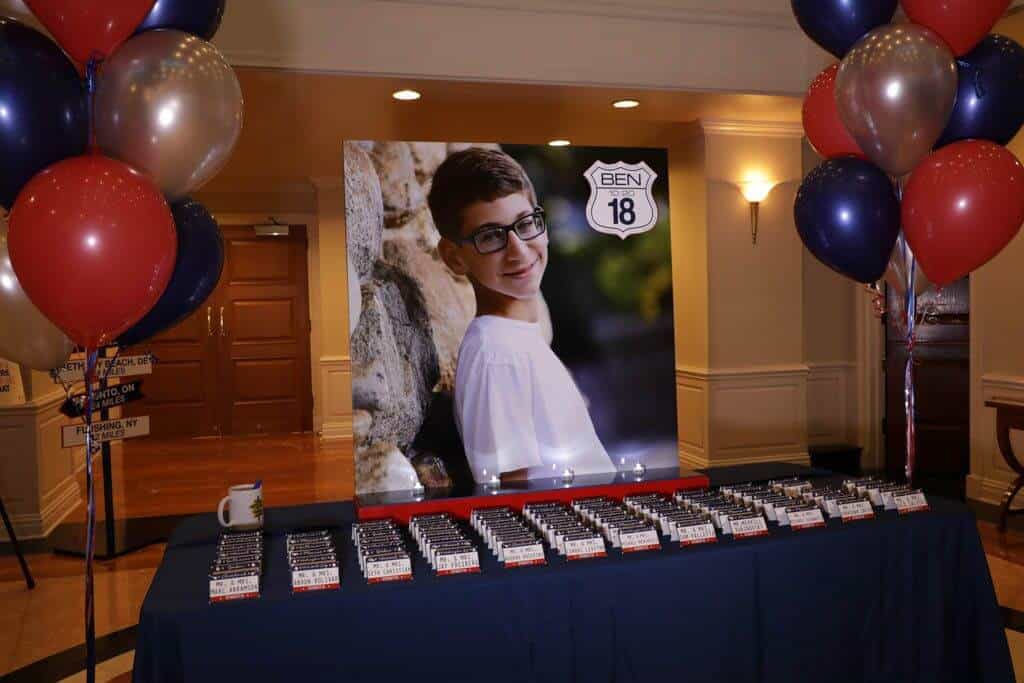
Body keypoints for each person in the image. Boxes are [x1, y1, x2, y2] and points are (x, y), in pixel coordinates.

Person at [430, 148, 614, 485]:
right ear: (455, 257)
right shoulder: (497, 354)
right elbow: (511, 491)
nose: (518, 250)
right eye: (490, 236)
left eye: (526, 223)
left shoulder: (514, 339)